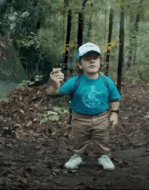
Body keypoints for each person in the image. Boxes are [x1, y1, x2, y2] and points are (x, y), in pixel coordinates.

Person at [47, 42, 121, 170]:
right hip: (79, 118)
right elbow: (55, 93)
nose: (92, 61)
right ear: (79, 64)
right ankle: (79, 156)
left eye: (95, 58)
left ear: (100, 62)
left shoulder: (106, 81)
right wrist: (54, 84)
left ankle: (103, 156)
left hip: (101, 117)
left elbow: (114, 98)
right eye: (87, 59)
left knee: (102, 138)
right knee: (80, 139)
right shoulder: (75, 81)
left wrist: (114, 113)